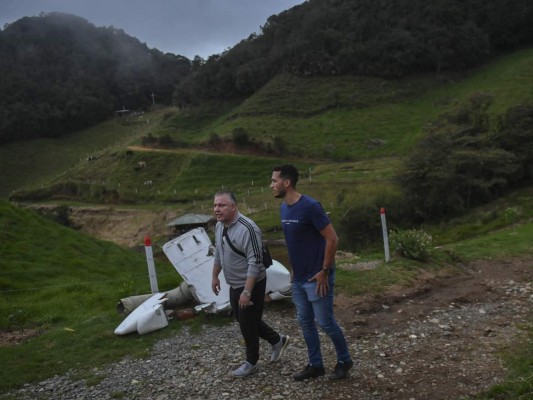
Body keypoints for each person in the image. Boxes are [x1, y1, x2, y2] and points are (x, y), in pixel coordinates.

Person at [270, 165, 353, 381]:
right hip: (298, 278)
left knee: (325, 322)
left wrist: (324, 270)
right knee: (305, 322)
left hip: (318, 277)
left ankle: (345, 360)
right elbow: (295, 243)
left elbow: (332, 238)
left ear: (286, 183)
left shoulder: (310, 206)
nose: (271, 185)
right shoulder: (283, 208)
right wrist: (293, 270)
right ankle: (316, 365)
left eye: (274, 181)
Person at [211, 190, 290, 378]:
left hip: (252, 284)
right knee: (245, 319)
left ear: (234, 207)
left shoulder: (248, 228)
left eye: (222, 205)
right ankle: (278, 340)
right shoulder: (219, 226)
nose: (217, 209)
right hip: (234, 284)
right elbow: (218, 253)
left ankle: (251, 362)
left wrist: (247, 292)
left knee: (247, 324)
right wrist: (215, 276)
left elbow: (255, 262)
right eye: (215, 205)